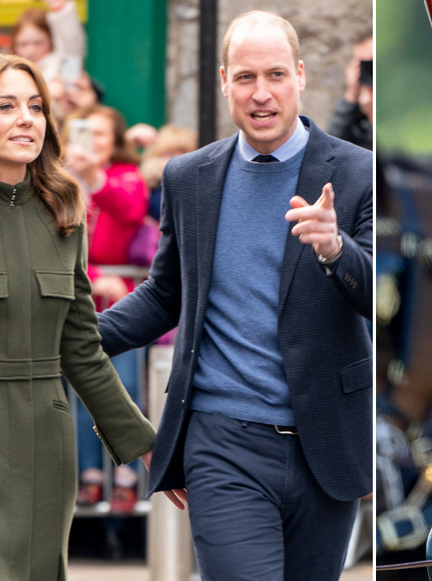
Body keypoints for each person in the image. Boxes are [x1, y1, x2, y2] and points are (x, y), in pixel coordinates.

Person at [98, 10, 372, 580]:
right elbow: (164, 293)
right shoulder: (187, 176)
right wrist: (80, 335)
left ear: (299, 75)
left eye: (275, 75)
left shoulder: (359, 172)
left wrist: (334, 249)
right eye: (245, 77)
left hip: (326, 442)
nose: (261, 93)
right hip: (222, 442)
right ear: (224, 82)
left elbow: (379, 298)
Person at [0, 53, 178, 580]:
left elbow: (82, 349)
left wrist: (148, 445)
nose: (27, 117)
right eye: (6, 106)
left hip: (47, 438)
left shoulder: (63, 210)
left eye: (35, 106)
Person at [63, 103, 149, 511]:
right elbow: (56, 246)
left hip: (124, 304)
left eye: (100, 135)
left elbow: (132, 212)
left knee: (126, 386)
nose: (91, 143)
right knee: (83, 390)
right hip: (79, 295)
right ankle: (91, 474)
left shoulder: (123, 177)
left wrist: (94, 178)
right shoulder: (56, 182)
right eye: (85, 133)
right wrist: (96, 277)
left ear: (114, 142)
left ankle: (127, 474)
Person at [327, 32, 372, 150]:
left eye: (371, 64)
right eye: (363, 65)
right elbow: (330, 151)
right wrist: (350, 97)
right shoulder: (354, 111)